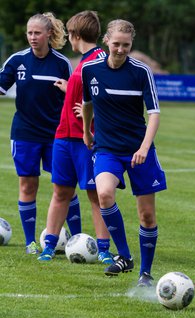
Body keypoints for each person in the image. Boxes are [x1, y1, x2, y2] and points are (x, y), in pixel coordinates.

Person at [82, 19, 167, 287]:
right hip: (107, 148)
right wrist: (86, 131)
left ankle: (145, 272)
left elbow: (154, 114)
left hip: (138, 151)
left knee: (147, 215)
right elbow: (86, 104)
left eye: (126, 45)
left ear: (131, 45)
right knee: (104, 193)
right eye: (116, 43)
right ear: (106, 40)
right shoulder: (90, 70)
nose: (120, 49)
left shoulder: (141, 72)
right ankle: (125, 257)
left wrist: (143, 147)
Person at [0, 12, 81, 254]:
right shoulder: (17, 60)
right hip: (25, 133)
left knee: (66, 187)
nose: (32, 37)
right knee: (27, 186)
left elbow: (74, 95)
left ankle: (78, 239)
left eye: (37, 33)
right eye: (29, 33)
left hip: (57, 135)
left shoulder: (61, 63)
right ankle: (30, 243)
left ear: (48, 34)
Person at [37, 11, 113, 263]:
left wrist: (94, 115)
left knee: (94, 194)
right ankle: (49, 246)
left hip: (85, 140)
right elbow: (87, 91)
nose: (69, 39)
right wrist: (70, 89)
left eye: (70, 35)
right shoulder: (84, 61)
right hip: (63, 137)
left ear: (76, 35)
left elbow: (110, 97)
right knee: (61, 192)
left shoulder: (101, 59)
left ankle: (103, 250)